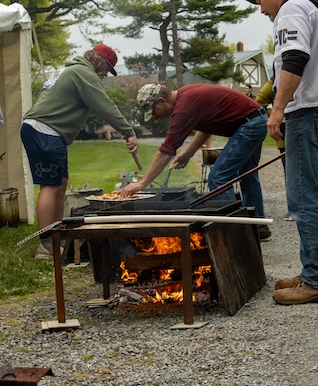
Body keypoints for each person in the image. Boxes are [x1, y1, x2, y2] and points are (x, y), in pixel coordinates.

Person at [247, 0, 318, 305]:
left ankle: (317, 279)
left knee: (304, 198)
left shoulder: (290, 9)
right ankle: (313, 271)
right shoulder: (311, 9)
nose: (260, 8)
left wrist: (277, 110)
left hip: (307, 110)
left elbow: (294, 58)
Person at [21, 44, 139, 259]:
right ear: (101, 64)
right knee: (51, 185)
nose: (104, 75)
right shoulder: (84, 73)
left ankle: (58, 237)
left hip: (38, 128)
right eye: (106, 70)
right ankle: (47, 245)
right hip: (46, 130)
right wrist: (128, 132)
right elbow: (104, 105)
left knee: (60, 183)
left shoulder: (67, 70)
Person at [121, 82, 271, 239]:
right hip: (256, 119)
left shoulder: (183, 108)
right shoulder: (186, 95)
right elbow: (206, 127)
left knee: (218, 179)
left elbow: (166, 151)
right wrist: (188, 153)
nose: (156, 117)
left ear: (161, 101)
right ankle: (258, 226)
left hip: (249, 125)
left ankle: (236, 236)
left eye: (154, 111)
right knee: (247, 175)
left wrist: (142, 183)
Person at [256, 78, 293, 221]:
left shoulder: (276, 79)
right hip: (289, 126)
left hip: (284, 127)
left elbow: (259, 101)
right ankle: (298, 208)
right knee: (295, 169)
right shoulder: (275, 80)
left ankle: (295, 209)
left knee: (289, 170)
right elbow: (260, 101)